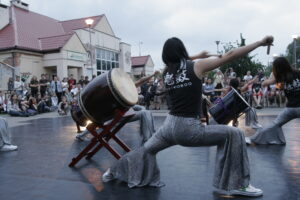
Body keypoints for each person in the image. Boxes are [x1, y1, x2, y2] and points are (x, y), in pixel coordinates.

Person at [102, 36, 273, 197]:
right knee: (235, 134)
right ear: (182, 51)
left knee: (146, 150)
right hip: (189, 128)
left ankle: (113, 171)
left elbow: (178, 60)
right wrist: (259, 43)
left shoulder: (167, 73)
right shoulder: (196, 66)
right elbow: (229, 55)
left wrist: (198, 55)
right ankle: (239, 185)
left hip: (169, 127)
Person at [249, 57, 300, 145]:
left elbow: (264, 83)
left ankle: (254, 139)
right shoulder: (298, 73)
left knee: (275, 124)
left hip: (290, 109)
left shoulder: (280, 77)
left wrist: (273, 75)